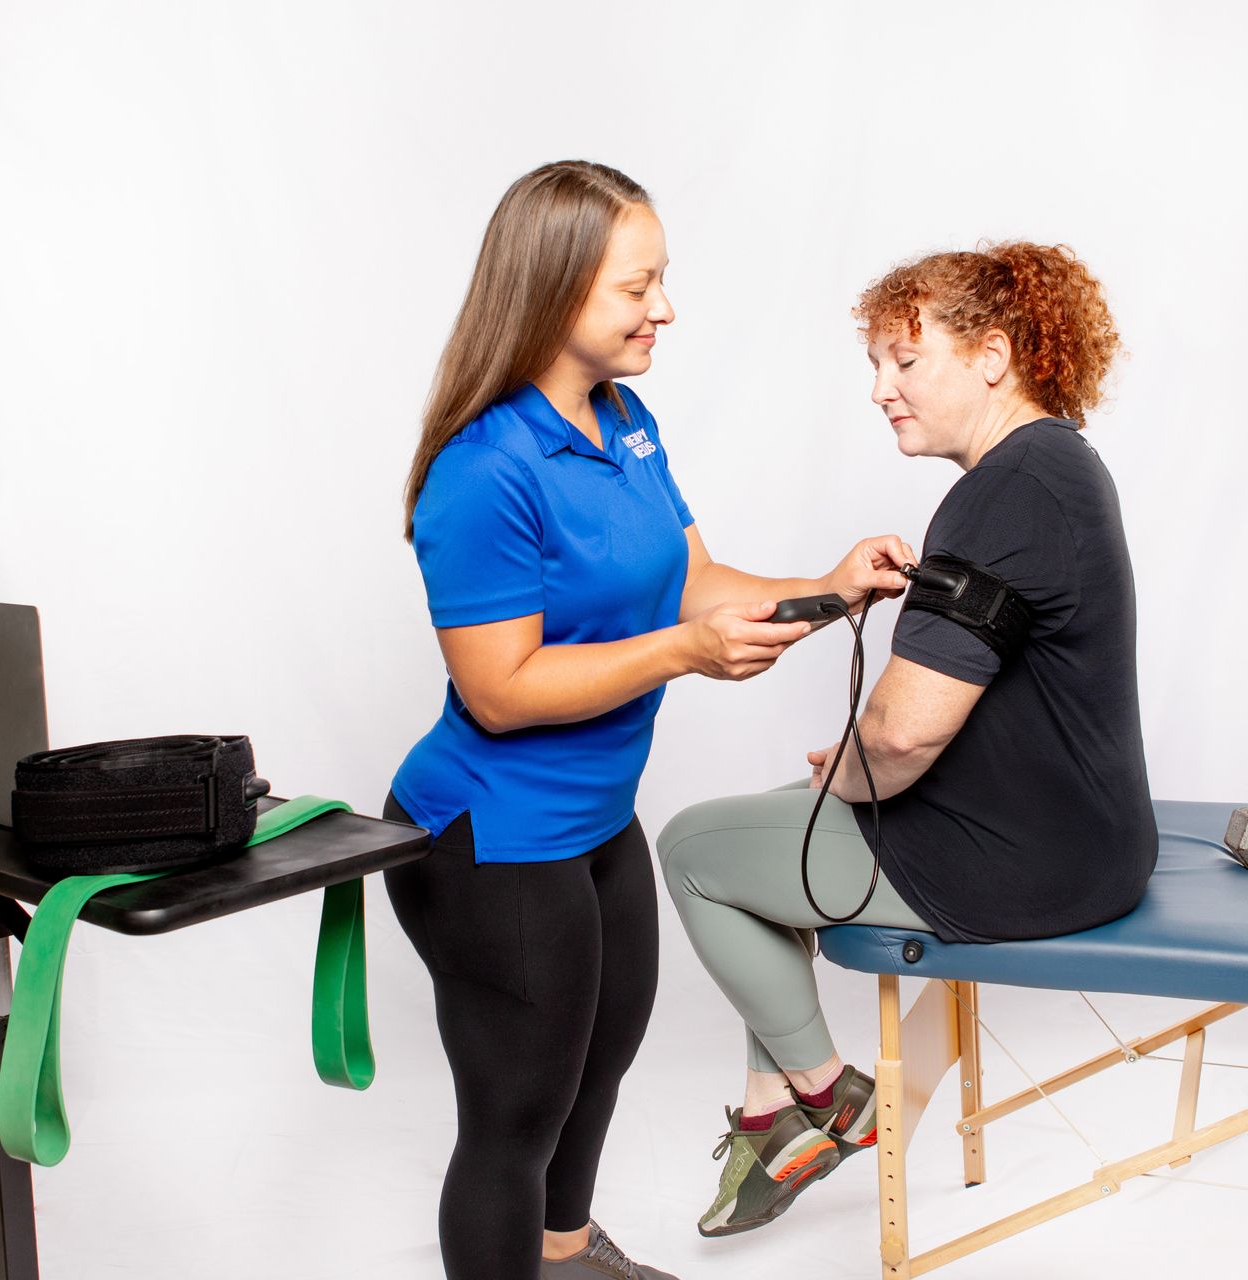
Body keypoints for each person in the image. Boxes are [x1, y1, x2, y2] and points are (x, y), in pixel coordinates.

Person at [383, 159, 914, 1280]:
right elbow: (500, 687)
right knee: (515, 1111)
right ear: (555, 288)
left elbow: (692, 582)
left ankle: (568, 1257)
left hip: (592, 821)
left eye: (661, 281)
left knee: (597, 1061)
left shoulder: (625, 422)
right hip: (488, 836)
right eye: (639, 287)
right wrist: (680, 655)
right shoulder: (485, 469)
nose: (663, 308)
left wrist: (827, 590)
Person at [656, 241, 1157, 1238]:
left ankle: (825, 1095)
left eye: (905, 360)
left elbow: (901, 732)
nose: (881, 388)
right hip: (1092, 841)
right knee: (775, 828)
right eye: (874, 365)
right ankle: (771, 1116)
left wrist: (851, 775)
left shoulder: (1006, 490)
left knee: (695, 850)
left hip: (1021, 865)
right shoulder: (1056, 465)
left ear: (992, 355)